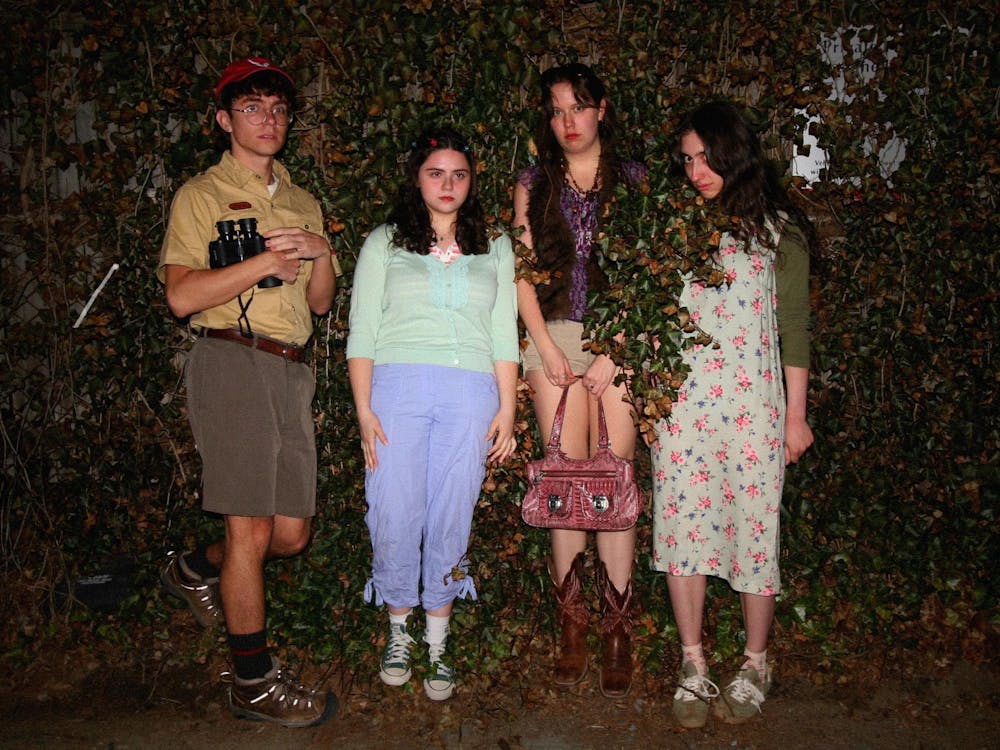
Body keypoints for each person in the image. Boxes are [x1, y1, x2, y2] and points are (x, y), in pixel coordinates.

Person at [157, 56, 340, 728]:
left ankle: (194, 568)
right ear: (224, 119)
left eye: (279, 109)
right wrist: (264, 260)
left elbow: (320, 305)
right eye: (253, 107)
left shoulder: (300, 198)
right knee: (250, 526)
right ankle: (253, 681)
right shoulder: (200, 196)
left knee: (290, 534)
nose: (269, 119)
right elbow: (181, 297)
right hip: (231, 361)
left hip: (293, 369)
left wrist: (320, 252)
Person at [651, 100, 816, 728]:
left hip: (753, 411)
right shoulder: (673, 228)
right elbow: (647, 317)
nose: (696, 171)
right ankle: (693, 663)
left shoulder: (779, 231)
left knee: (755, 532)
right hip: (684, 413)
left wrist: (795, 417)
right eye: (687, 160)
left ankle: (755, 662)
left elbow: (793, 329)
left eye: (706, 157)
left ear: (735, 152)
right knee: (683, 531)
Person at [346, 127, 519, 702]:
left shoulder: (494, 244)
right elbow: (362, 332)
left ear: (472, 181)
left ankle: (439, 639)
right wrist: (364, 410)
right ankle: (399, 631)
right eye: (435, 173)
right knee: (394, 506)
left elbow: (503, 334)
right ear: (416, 177)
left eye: (459, 174)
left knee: (452, 508)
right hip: (396, 389)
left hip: (471, 392)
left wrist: (509, 408)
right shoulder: (385, 242)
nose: (448, 185)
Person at [514, 63, 646, 698]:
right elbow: (521, 269)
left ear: (602, 110)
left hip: (621, 337)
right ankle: (571, 625)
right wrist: (542, 346)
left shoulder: (637, 180)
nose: (567, 121)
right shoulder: (533, 183)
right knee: (565, 473)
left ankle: (619, 627)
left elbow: (653, 269)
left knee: (613, 474)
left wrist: (614, 348)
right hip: (555, 334)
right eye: (557, 110)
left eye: (579, 108)